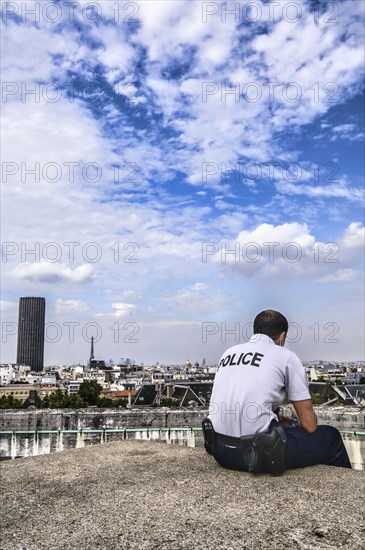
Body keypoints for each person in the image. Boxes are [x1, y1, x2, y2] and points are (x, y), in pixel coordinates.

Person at [204, 309, 351, 474]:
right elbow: (310, 426)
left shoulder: (228, 353)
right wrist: (299, 417)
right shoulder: (286, 356)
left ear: (255, 331)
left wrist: (277, 420)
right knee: (331, 436)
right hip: (257, 456)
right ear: (282, 336)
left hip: (221, 452)